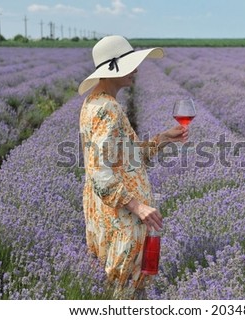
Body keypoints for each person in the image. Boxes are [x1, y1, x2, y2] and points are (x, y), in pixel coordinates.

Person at [78, 35, 187, 299]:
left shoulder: (94, 102)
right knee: (123, 291)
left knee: (116, 287)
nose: (136, 70)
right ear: (111, 68)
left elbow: (126, 158)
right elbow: (100, 171)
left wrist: (163, 139)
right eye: (130, 64)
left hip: (107, 211)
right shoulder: (109, 110)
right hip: (123, 218)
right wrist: (138, 206)